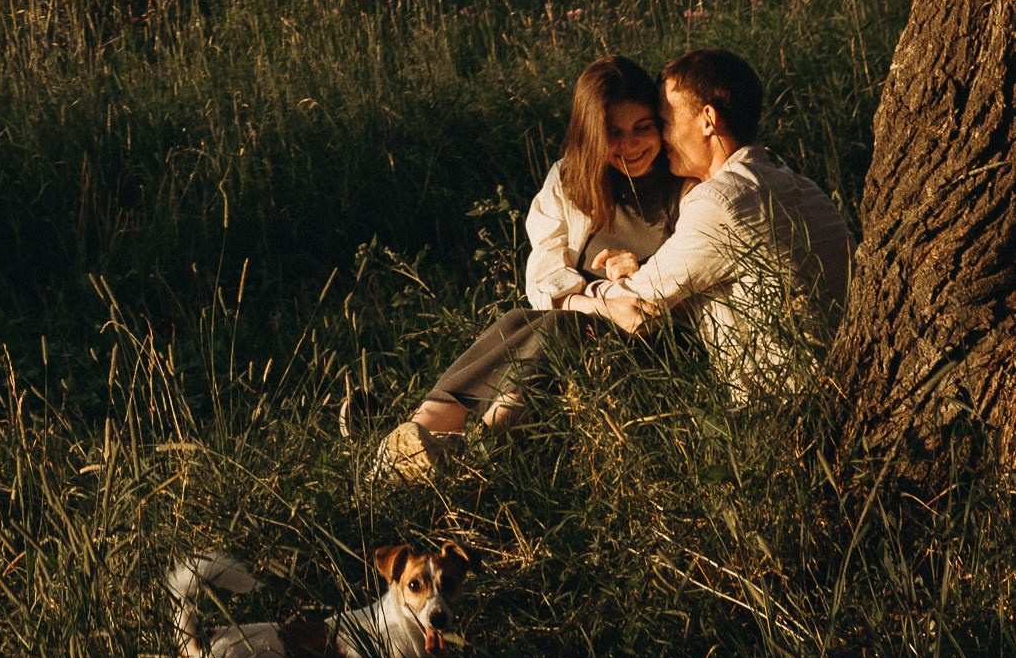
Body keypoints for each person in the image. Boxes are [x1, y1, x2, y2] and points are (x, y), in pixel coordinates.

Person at [356, 54, 685, 483]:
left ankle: (461, 456)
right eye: (612, 134)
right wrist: (600, 298)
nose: (631, 146)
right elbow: (543, 276)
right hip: (582, 325)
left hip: (650, 344)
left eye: (642, 128)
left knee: (557, 328)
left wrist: (635, 273)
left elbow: (686, 271)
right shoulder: (571, 181)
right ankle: (414, 437)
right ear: (589, 135)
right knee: (522, 321)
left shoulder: (683, 183)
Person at [593, 46, 850, 393]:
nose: (663, 136)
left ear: (708, 120)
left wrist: (584, 291)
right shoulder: (799, 186)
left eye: (666, 122)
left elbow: (638, 305)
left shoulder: (720, 201)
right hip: (841, 378)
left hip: (786, 403)